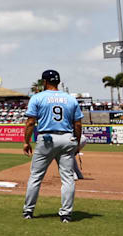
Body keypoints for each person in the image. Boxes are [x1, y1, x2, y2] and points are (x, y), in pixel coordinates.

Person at [22, 69, 82, 222]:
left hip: (46, 138)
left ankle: (28, 211)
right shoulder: (70, 99)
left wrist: (26, 142)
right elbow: (78, 123)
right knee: (68, 178)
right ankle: (66, 214)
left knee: (35, 177)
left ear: (44, 82)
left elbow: (30, 122)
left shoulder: (37, 97)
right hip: (67, 138)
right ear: (58, 82)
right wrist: (77, 142)